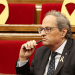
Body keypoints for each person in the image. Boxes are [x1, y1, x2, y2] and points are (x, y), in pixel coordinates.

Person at [15, 10, 75, 75]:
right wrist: (23, 58)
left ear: (63, 32)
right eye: (41, 29)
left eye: (47, 29)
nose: (42, 34)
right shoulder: (40, 52)